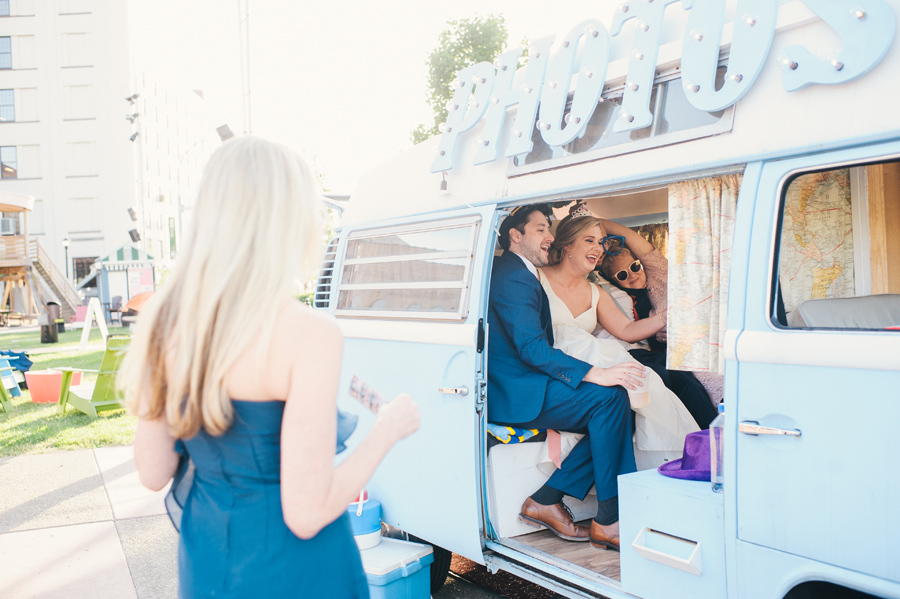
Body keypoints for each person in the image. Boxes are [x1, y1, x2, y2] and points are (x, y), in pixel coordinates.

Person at [120, 136, 420, 599]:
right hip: (295, 569)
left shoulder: (164, 322)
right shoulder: (307, 332)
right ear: (289, 220)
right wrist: (389, 429)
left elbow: (153, 471)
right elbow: (307, 511)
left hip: (208, 555)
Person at [487, 204, 644, 552]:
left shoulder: (519, 271)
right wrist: (595, 373)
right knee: (610, 398)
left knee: (618, 405)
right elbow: (531, 347)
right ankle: (607, 521)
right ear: (516, 236)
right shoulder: (511, 275)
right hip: (517, 390)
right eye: (541, 229)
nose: (550, 237)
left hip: (529, 382)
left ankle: (548, 500)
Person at [538, 215, 699, 457]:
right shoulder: (535, 278)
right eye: (589, 240)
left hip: (586, 369)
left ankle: (696, 449)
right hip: (552, 370)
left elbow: (626, 330)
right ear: (567, 244)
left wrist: (666, 316)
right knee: (628, 394)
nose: (598, 248)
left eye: (601, 242)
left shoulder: (595, 292)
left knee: (645, 386)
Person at [598, 218, 722, 426]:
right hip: (660, 354)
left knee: (691, 386)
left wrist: (598, 223)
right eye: (622, 275)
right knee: (678, 384)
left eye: (635, 266)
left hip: (689, 350)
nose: (632, 275)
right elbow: (629, 329)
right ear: (613, 281)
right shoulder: (621, 298)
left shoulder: (659, 279)